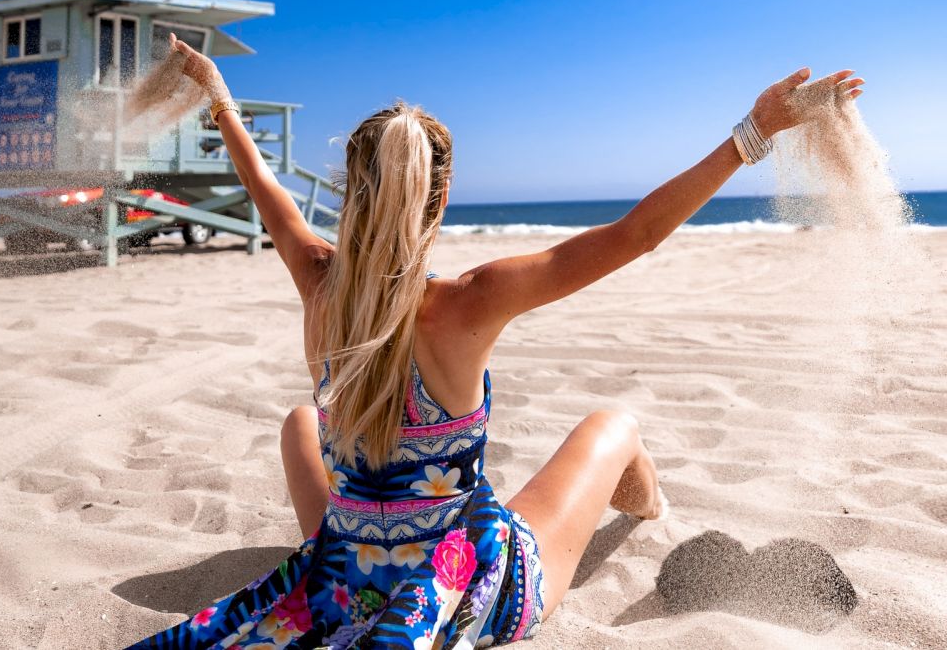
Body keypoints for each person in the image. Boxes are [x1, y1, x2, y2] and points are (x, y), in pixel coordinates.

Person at [126, 36, 864, 649]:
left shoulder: (316, 278)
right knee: (613, 427)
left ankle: (402, 539)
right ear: (440, 199)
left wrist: (218, 94)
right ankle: (651, 508)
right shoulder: (469, 300)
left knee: (300, 421)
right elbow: (635, 234)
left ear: (350, 191)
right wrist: (755, 131)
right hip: (458, 588)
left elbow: (264, 188)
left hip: (343, 579)